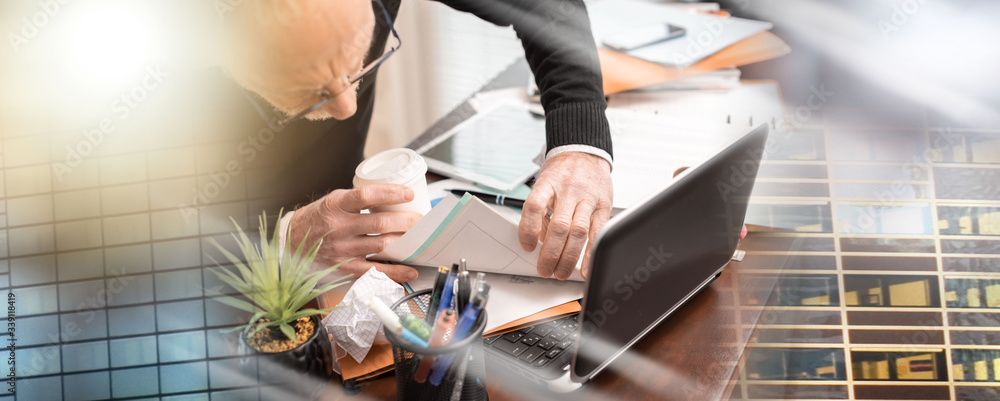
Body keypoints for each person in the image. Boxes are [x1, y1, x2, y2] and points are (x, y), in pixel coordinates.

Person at [221, 0, 613, 283]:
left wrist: (578, 144)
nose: (347, 107)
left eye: (353, 56)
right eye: (310, 89)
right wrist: (281, 239)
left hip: (353, 232)